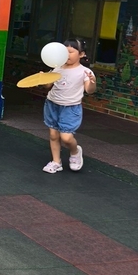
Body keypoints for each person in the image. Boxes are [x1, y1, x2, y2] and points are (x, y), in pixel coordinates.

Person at [42, 38, 97, 174]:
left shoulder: (85, 72)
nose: (66, 55)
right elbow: (47, 86)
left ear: (81, 54)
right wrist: (43, 79)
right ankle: (56, 162)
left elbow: (89, 90)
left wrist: (92, 82)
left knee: (66, 137)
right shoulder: (57, 68)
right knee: (53, 135)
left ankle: (75, 151)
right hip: (52, 104)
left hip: (70, 108)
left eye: (70, 52)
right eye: (64, 52)